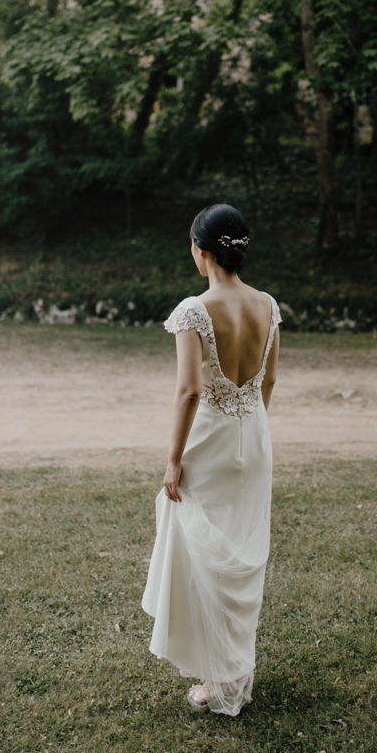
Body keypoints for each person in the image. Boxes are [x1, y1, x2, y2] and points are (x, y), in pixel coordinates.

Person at [142, 204, 281, 717]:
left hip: (209, 443)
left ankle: (218, 677)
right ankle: (231, 671)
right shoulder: (268, 305)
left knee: (204, 552)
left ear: (202, 252)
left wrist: (173, 460)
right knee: (243, 554)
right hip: (254, 440)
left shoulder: (193, 310)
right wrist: (249, 429)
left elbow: (188, 392)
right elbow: (267, 382)